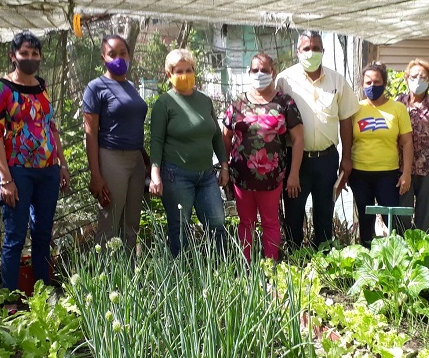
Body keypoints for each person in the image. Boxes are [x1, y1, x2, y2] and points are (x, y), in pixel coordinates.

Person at [0, 31, 70, 297]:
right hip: (17, 172)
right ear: (13, 56)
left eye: (35, 54)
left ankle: (43, 294)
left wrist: (63, 164)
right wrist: (6, 179)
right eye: (25, 53)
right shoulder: (0, 88)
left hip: (48, 171)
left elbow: (51, 127)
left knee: (43, 234)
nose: (31, 58)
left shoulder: (42, 87)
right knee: (15, 237)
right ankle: (10, 299)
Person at [275, 31, 359, 249]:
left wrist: (347, 158)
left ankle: (323, 264)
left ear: (323, 51)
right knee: (293, 214)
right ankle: (295, 262)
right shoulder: (284, 80)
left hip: (327, 159)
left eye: (316, 48)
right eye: (306, 48)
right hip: (296, 161)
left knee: (324, 215)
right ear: (297, 52)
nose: (311, 53)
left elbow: (346, 120)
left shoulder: (337, 80)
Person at [223, 53, 304, 262]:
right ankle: (246, 268)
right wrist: (224, 168)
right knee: (245, 222)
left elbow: (298, 140)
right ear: (249, 73)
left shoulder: (285, 103)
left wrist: (294, 173)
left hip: (272, 177)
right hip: (241, 177)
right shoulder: (238, 103)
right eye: (255, 70)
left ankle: (271, 269)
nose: (260, 74)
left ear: (273, 72)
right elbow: (225, 137)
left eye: (265, 70)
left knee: (270, 222)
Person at [149, 49, 228, 256]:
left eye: (189, 70)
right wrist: (155, 174)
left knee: (217, 223)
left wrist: (225, 166)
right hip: (177, 176)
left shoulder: (204, 101)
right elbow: (156, 141)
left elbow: (217, 136)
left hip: (207, 175)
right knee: (180, 228)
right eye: (179, 71)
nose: (185, 74)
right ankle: (182, 273)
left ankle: (220, 270)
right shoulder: (163, 104)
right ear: (169, 74)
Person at [82, 34, 149, 251]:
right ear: (103, 57)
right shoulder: (96, 87)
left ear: (129, 56)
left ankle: (128, 279)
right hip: (111, 158)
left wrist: (145, 161)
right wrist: (96, 175)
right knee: (109, 224)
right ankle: (104, 280)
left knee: (132, 224)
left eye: (123, 53)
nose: (118, 58)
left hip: (136, 161)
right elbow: (90, 133)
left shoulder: (130, 86)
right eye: (112, 54)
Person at [349, 62, 412, 246]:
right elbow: (348, 140)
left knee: (392, 221)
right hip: (359, 174)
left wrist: (406, 173)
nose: (372, 86)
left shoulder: (398, 109)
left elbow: (407, 142)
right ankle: (366, 259)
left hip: (387, 174)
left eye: (377, 82)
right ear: (362, 84)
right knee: (365, 221)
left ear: (384, 83)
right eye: (368, 82)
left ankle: (397, 258)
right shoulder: (355, 109)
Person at [396, 58, 429, 232]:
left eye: (424, 77)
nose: (418, 80)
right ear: (406, 78)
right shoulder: (398, 104)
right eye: (414, 76)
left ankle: (424, 252)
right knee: (401, 213)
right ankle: (402, 250)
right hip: (402, 168)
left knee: (426, 216)